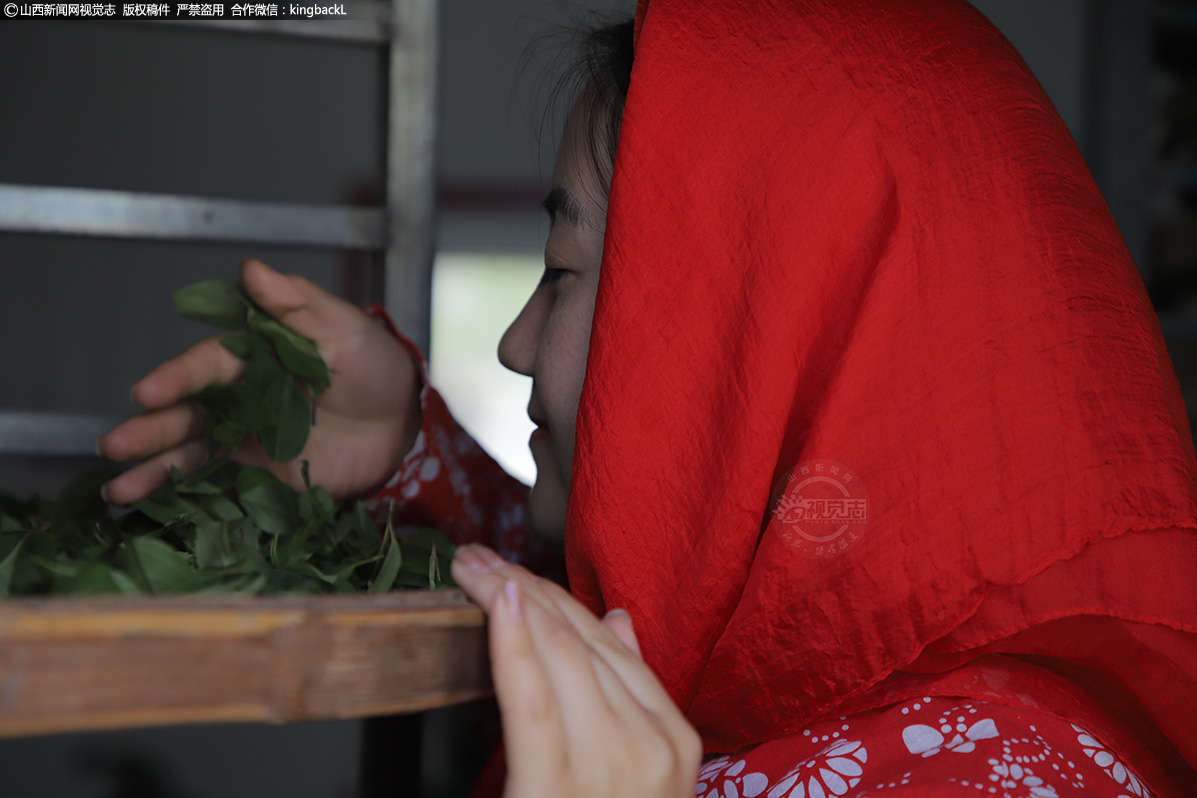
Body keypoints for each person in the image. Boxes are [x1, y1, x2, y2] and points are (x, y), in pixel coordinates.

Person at [97, 1, 1197, 796]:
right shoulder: (840, 678)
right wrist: (403, 449)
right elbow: (605, 589)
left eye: (567, 273)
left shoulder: (1002, 783)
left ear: (759, 349)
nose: (520, 342)